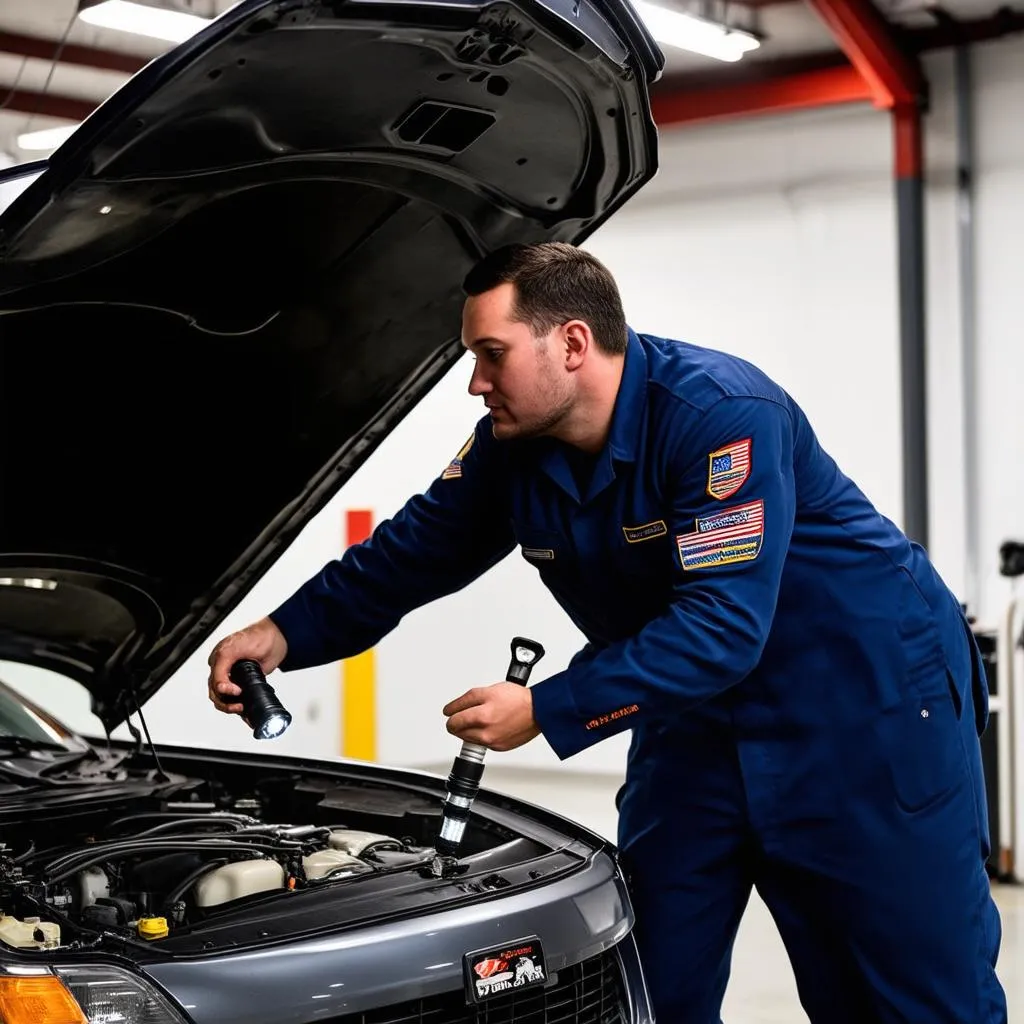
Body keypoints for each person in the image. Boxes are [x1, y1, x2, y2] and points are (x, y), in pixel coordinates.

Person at [206, 242, 1006, 1023]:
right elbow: (411, 554)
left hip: (863, 710)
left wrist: (546, 709)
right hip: (690, 716)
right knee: (643, 981)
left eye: (491, 354)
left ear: (573, 344)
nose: (476, 383)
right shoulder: (511, 447)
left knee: (901, 992)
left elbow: (724, 626)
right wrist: (283, 633)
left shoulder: (720, 416)